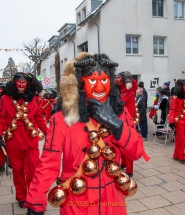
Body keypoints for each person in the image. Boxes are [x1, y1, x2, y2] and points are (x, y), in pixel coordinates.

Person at [24, 52, 149, 215]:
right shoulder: (62, 119)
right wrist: (35, 202)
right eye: (92, 80)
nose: (99, 88)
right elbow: (48, 163)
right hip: (77, 201)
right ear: (80, 83)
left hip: (112, 201)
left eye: (104, 80)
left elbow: (137, 152)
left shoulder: (120, 113)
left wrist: (117, 125)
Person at [0, 72, 48, 208]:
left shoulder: (34, 99)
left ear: (28, 84)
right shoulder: (6, 99)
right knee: (18, 172)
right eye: (18, 82)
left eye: (24, 82)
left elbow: (39, 117)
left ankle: (33, 196)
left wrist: (48, 133)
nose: (21, 85)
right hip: (13, 142)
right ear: (14, 83)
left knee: (33, 171)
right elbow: (0, 118)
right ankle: (21, 197)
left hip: (31, 141)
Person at [115, 71, 138, 177]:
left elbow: (120, 103)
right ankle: (123, 163)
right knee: (121, 144)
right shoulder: (120, 90)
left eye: (118, 78)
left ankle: (130, 169)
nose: (116, 79)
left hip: (127, 122)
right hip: (121, 121)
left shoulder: (129, 92)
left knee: (128, 144)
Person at [168, 79, 185, 163]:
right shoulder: (175, 97)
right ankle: (181, 157)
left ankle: (176, 155)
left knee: (179, 138)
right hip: (179, 120)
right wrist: (171, 121)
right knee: (181, 138)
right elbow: (172, 109)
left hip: (184, 119)